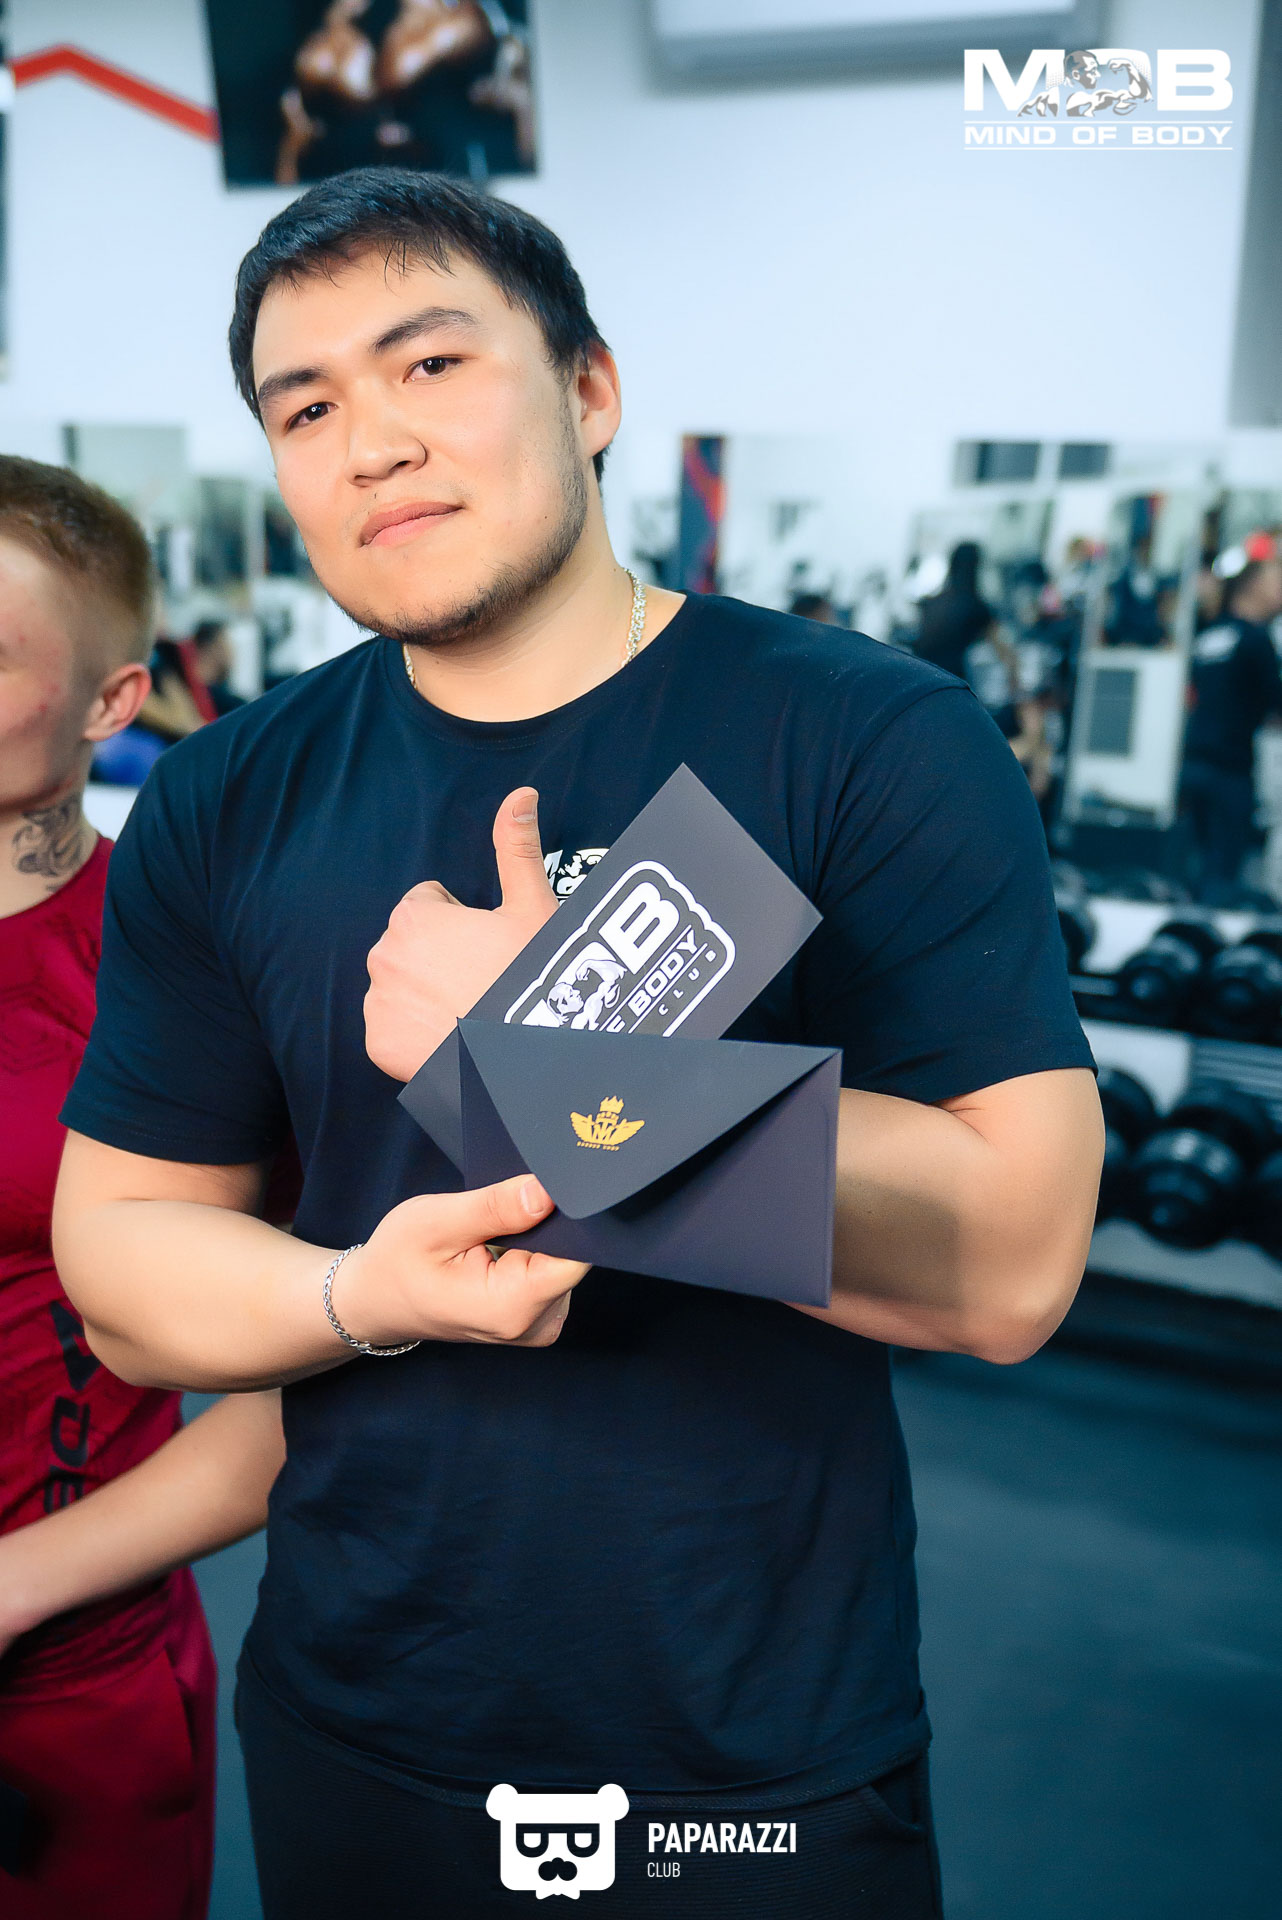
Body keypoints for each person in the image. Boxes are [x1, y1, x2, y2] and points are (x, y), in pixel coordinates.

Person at [54, 170, 1102, 1920]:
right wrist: (360, 1293)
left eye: (430, 364)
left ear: (590, 390)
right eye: (303, 409)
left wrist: (540, 1064)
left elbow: (1008, 1264)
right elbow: (125, 1269)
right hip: (358, 1716)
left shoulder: (865, 737)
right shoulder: (226, 798)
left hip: (749, 1745)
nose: (371, 443)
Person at [0, 454, 286, 1917]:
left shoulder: (167, 967)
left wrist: (16, 1586)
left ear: (114, 701)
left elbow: (322, 1380)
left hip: (65, 1687)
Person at [1180, 556, 1282, 904]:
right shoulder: (1255, 639)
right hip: (1230, 768)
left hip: (1195, 760)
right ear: (1253, 587)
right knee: (1223, 871)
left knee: (1199, 864)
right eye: (1276, 582)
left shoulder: (1210, 634)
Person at [912, 539, 994, 679]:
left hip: (923, 675)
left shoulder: (933, 601)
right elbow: (1003, 650)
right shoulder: (976, 607)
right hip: (951, 678)